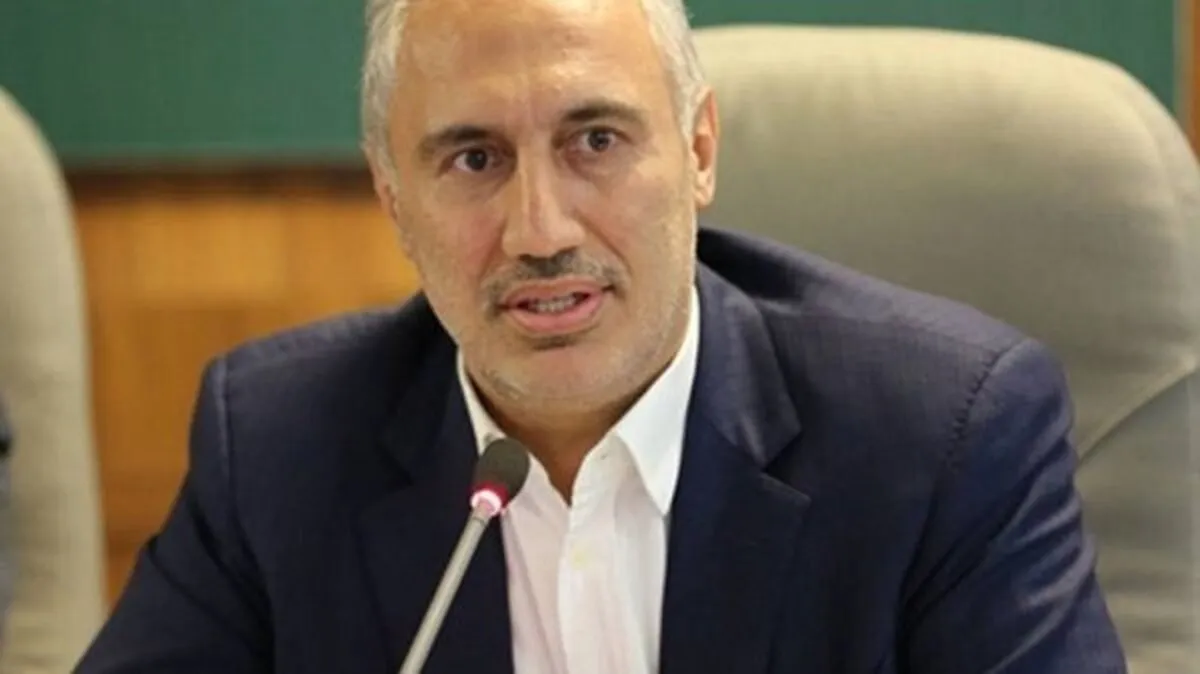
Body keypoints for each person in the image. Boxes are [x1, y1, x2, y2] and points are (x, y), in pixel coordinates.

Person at [76, 0, 1128, 671]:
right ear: (394, 199)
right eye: (475, 160)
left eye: (595, 139)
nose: (541, 231)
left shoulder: (945, 437)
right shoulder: (276, 445)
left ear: (699, 150)